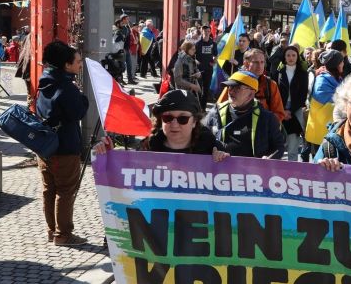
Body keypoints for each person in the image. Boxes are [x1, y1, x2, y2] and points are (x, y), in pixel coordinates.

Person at [36, 41, 90, 246]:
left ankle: (52, 231)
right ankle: (63, 234)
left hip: (45, 145)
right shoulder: (66, 87)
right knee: (65, 191)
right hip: (64, 147)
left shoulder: (45, 80)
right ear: (67, 65)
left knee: (49, 189)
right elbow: (77, 112)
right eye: (77, 61)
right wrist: (83, 99)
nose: (80, 64)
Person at [95, 90, 229, 160]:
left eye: (183, 119)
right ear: (160, 120)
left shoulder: (212, 149)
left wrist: (224, 161)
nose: (174, 124)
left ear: (194, 122)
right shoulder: (147, 147)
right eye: (168, 117)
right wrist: (110, 156)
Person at [207, 70, 285, 159]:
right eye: (229, 87)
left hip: (254, 171)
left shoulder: (267, 118)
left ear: (251, 94)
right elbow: (202, 140)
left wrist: (269, 158)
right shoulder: (215, 112)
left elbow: (279, 147)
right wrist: (213, 151)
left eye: (237, 87)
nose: (231, 91)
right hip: (221, 171)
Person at [216, 49, 286, 123]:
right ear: (246, 64)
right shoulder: (234, 82)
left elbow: (279, 114)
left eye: (262, 62)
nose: (260, 65)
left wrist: (264, 127)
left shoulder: (271, 85)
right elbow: (219, 108)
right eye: (256, 62)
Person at [274, 45, 309, 161]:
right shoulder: (279, 72)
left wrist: (290, 111)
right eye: (288, 55)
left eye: (293, 55)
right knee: (278, 139)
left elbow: (303, 94)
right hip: (280, 109)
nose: (291, 58)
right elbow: (275, 92)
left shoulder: (303, 73)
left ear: (297, 57)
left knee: (293, 140)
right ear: (284, 57)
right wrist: (282, 110)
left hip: (296, 109)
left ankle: (292, 166)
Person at [305, 49, 344, 150]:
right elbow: (337, 103)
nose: (343, 64)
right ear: (336, 65)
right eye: (341, 61)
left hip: (330, 130)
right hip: (320, 133)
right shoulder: (322, 81)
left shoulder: (336, 78)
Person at [194, 25, 217, 107]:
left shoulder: (213, 43)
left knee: (206, 89)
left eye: (208, 31)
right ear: (202, 32)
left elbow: (216, 55)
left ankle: (203, 107)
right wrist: (196, 62)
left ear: (210, 32)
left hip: (208, 69)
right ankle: (198, 106)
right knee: (199, 88)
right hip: (199, 69)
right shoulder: (197, 44)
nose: (207, 33)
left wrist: (214, 62)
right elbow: (193, 55)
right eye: (205, 31)